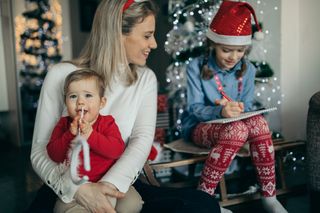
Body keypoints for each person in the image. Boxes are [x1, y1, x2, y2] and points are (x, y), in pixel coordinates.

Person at [28, 0, 220, 213]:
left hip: (120, 183)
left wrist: (107, 187)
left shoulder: (145, 79)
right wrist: (78, 190)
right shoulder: (61, 74)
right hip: (67, 185)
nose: (154, 44)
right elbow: (39, 150)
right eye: (147, 35)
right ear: (117, 34)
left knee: (204, 205)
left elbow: (141, 141)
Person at [181, 1, 288, 213]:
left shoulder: (248, 70)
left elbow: (247, 105)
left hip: (232, 124)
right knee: (237, 129)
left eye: (240, 50)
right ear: (213, 44)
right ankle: (204, 200)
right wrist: (219, 110)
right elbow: (194, 108)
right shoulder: (195, 66)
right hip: (198, 126)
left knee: (258, 123)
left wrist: (239, 108)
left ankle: (269, 196)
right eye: (226, 50)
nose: (233, 57)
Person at [46, 69, 144, 212]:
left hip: (108, 183)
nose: (80, 102)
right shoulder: (63, 125)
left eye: (88, 95)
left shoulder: (107, 123)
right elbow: (54, 154)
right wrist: (69, 135)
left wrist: (91, 135)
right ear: (65, 102)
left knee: (133, 203)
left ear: (101, 102)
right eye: (73, 96)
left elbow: (116, 150)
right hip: (76, 192)